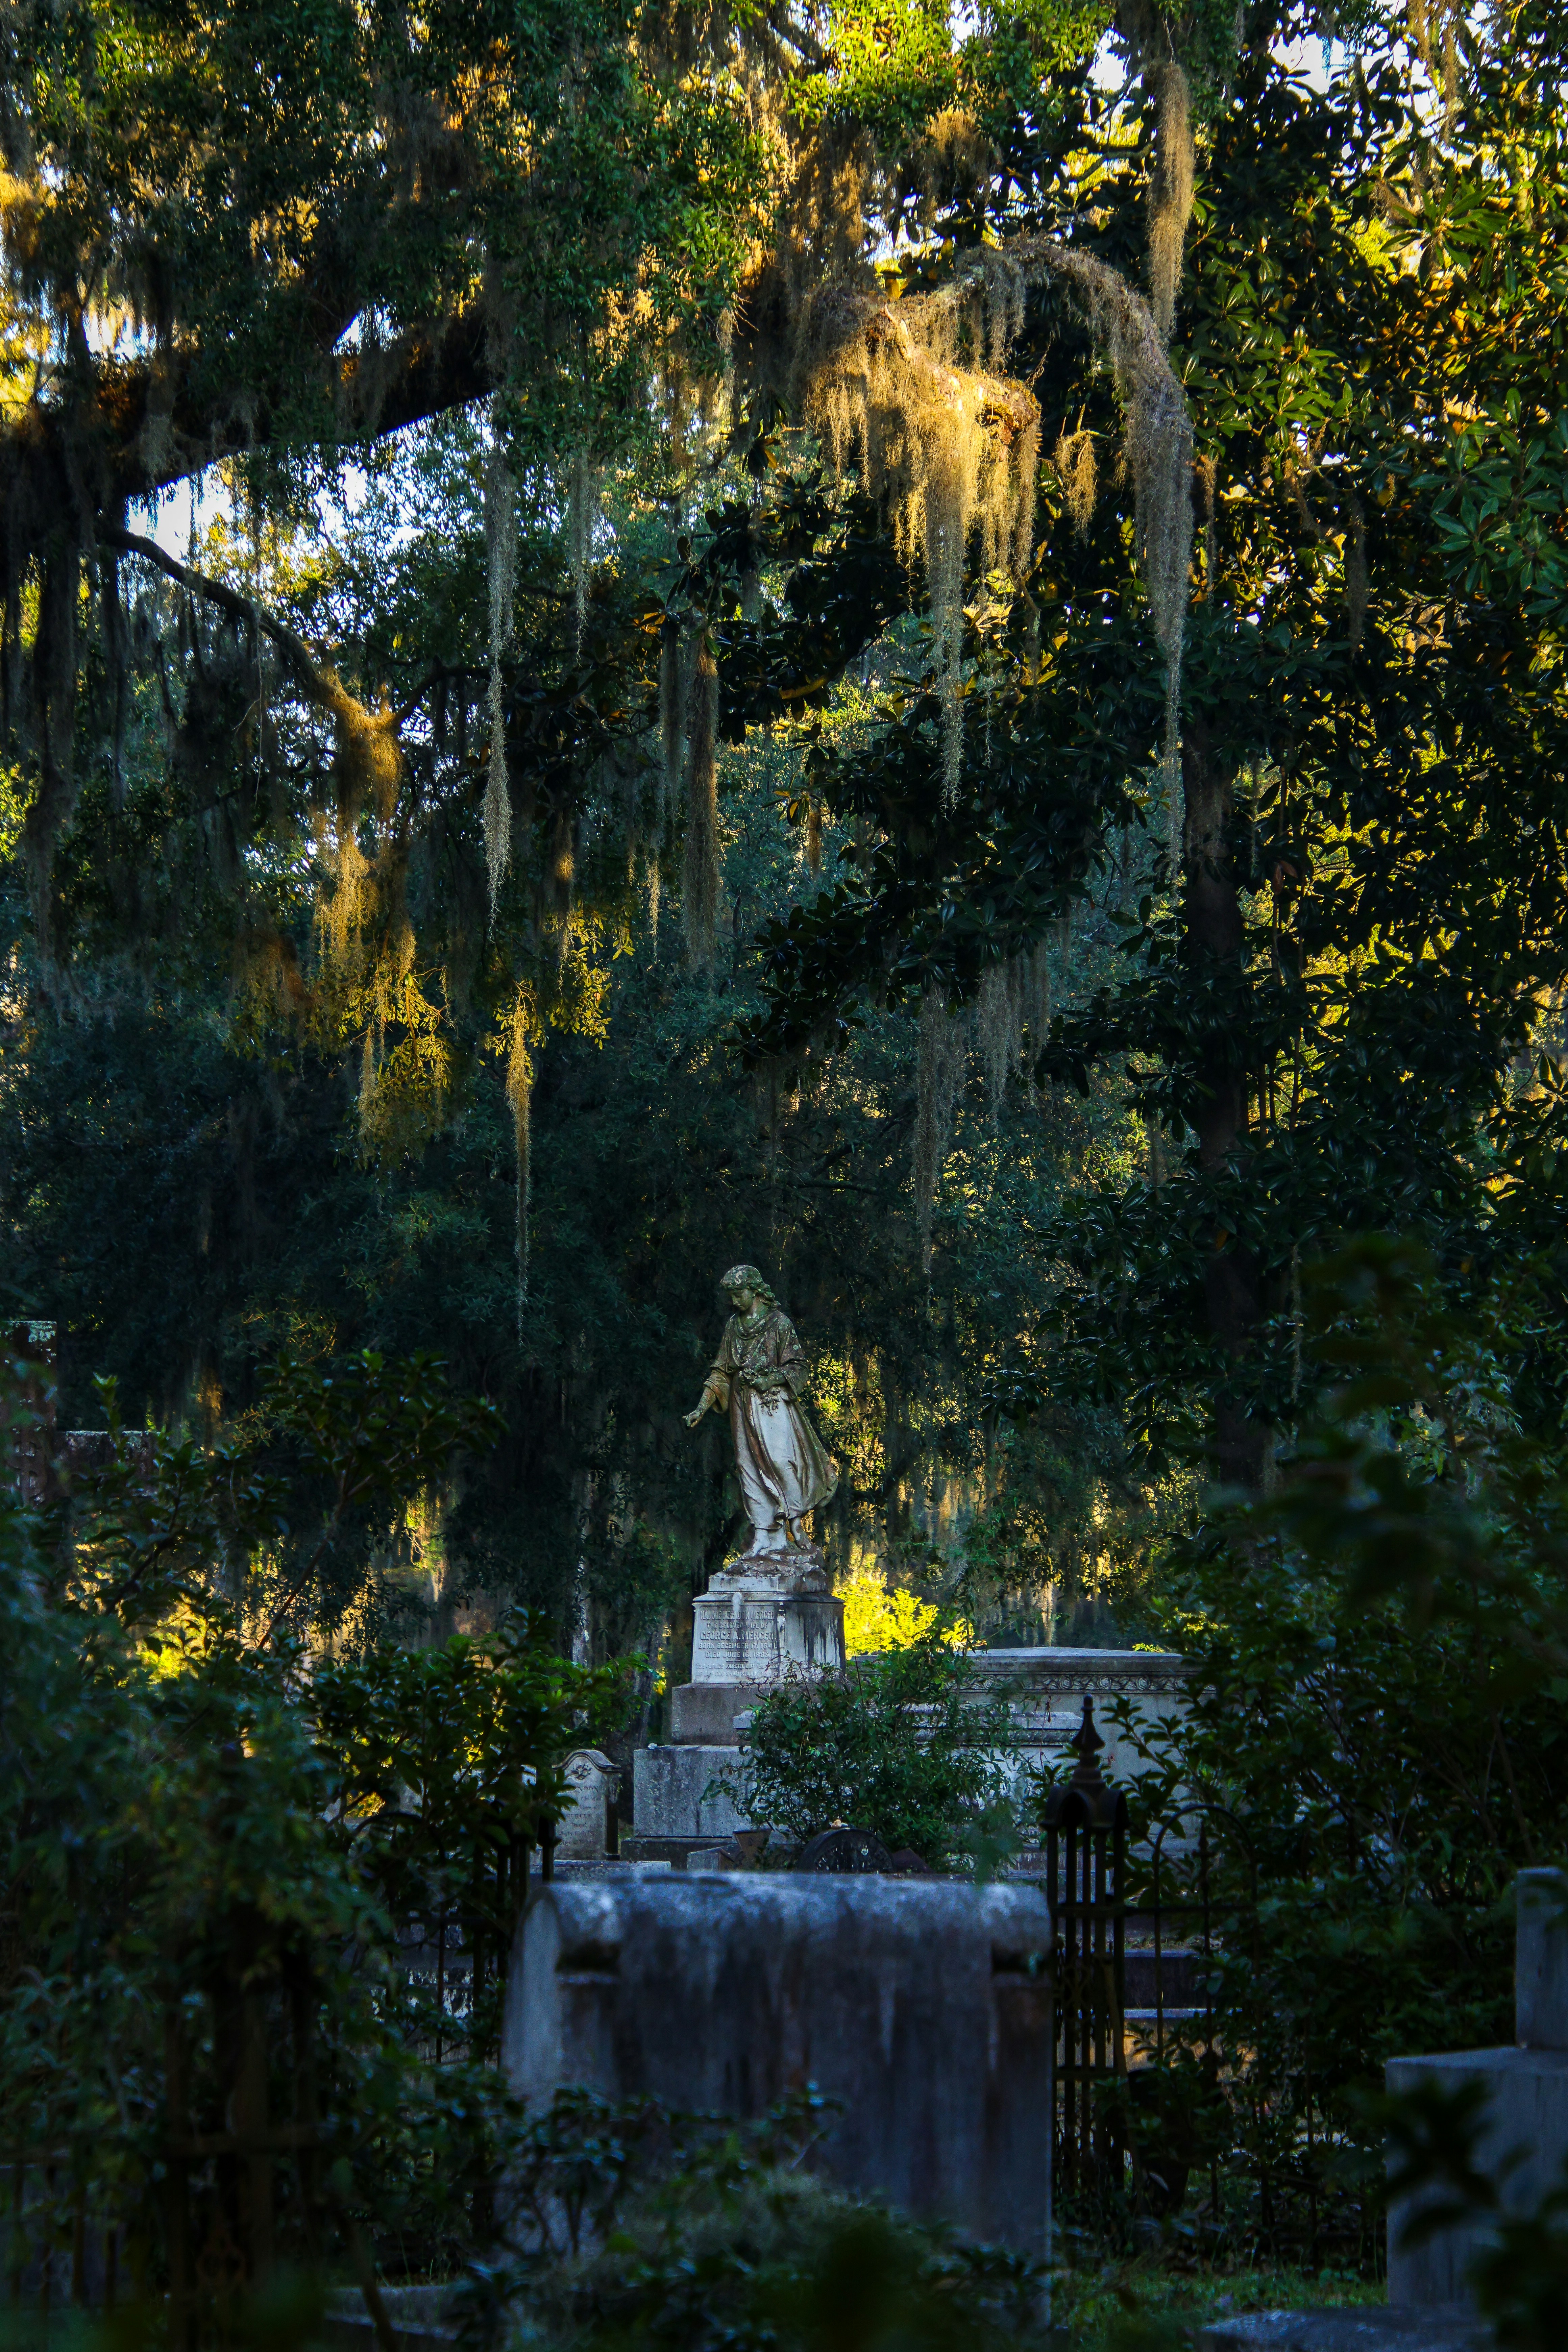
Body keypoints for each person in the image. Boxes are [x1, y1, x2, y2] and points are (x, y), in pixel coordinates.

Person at [684, 1264, 838, 1555]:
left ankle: (795, 1523)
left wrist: (770, 1380)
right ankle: (764, 1533)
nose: (734, 1301)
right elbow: (720, 1371)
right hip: (741, 1405)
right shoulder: (733, 1327)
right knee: (748, 1466)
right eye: (731, 1296)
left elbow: (798, 1366)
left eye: (738, 1294)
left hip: (772, 1403)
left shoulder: (779, 1324)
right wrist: (701, 1408)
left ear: (754, 1290)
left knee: (780, 1460)